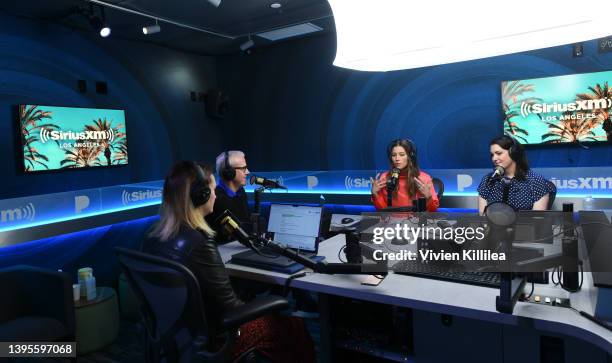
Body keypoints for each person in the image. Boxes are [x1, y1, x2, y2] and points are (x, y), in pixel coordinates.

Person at [143, 161, 315, 363]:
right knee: (295, 327)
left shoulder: (151, 237)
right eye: (213, 190)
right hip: (220, 337)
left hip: (175, 336)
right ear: (202, 196)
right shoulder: (199, 242)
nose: (216, 195)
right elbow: (232, 310)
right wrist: (269, 304)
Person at [477, 135, 556, 215]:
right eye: (492, 155)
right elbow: (483, 217)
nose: (494, 158)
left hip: (525, 227)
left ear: (513, 153)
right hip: (493, 226)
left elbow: (537, 221)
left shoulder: (535, 180)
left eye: (499, 153)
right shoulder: (488, 180)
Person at [371, 139, 439, 212]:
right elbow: (383, 210)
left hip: (415, 221)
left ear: (410, 156)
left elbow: (432, 210)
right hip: (392, 221)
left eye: (402, 155)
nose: (397, 159)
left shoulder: (424, 178)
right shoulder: (385, 178)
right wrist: (375, 194)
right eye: (394, 155)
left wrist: (429, 196)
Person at [206, 150, 251, 243]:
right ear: (229, 172)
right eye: (244, 168)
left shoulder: (241, 193)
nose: (247, 172)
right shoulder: (216, 200)